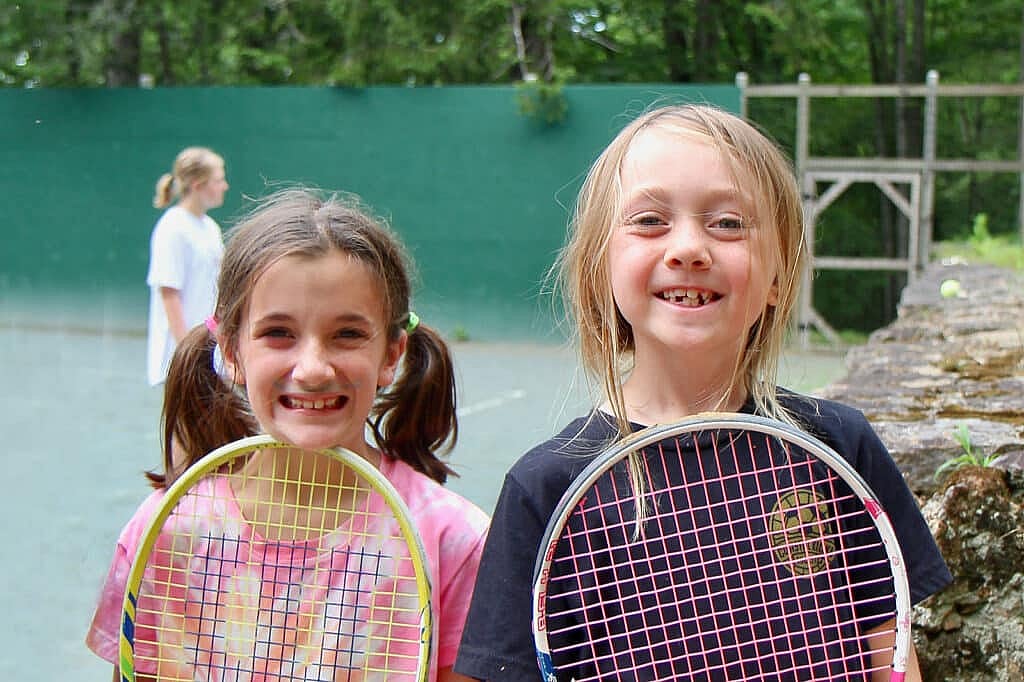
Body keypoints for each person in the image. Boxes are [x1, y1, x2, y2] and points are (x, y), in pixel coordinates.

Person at [454, 104, 952, 681]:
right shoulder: (544, 488)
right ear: (599, 270)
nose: (689, 247)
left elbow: (891, 654)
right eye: (648, 221)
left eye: (729, 224)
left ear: (778, 278)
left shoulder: (841, 447)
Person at [88, 188, 490, 681]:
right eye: (278, 333)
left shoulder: (455, 540)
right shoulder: (166, 531)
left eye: (347, 334)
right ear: (231, 351)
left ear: (391, 354)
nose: (313, 369)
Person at [146, 146, 230, 386]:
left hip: (209, 355)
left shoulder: (210, 228)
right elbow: (169, 294)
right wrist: (187, 351)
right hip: (184, 360)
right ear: (197, 185)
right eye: (218, 180)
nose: (224, 186)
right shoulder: (172, 227)